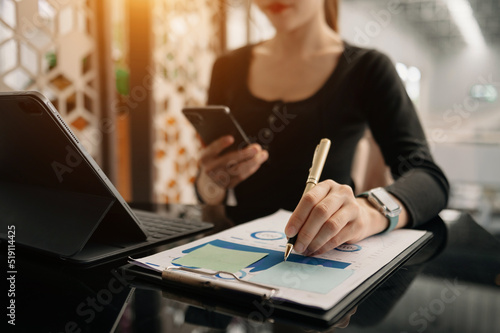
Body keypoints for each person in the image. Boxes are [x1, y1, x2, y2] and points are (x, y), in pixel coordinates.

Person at [195, 0, 449, 256]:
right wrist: (211, 182)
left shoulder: (367, 68)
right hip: (237, 253)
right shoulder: (227, 67)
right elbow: (209, 189)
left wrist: (368, 211)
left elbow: (428, 179)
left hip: (321, 255)